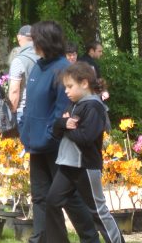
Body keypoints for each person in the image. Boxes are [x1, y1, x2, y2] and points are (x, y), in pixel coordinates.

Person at [20, 20, 99, 243]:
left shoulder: (63, 69)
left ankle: (90, 237)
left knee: (67, 197)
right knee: (40, 197)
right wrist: (26, 132)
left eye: (36, 38)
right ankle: (42, 239)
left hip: (56, 145)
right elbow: (30, 103)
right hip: (36, 144)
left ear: (46, 40)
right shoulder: (38, 65)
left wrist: (48, 135)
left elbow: (63, 110)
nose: (32, 43)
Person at [46, 62, 124, 243]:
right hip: (67, 164)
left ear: (84, 83)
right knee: (52, 202)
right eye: (65, 87)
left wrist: (66, 127)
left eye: (70, 86)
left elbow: (86, 137)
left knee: (98, 211)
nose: (66, 91)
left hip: (86, 167)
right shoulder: (73, 105)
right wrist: (63, 124)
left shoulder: (94, 107)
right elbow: (55, 131)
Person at [8, 25, 39, 125]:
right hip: (43, 109)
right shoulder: (45, 56)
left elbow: (14, 90)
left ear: (18, 37)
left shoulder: (19, 60)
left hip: (23, 110)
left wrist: (12, 111)